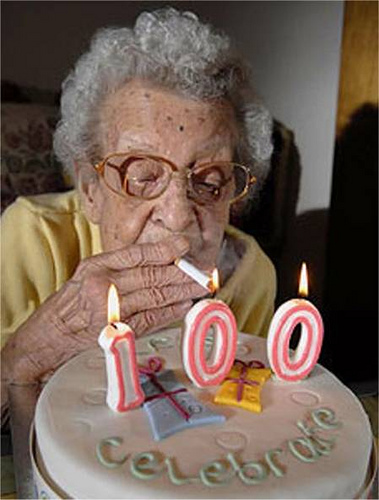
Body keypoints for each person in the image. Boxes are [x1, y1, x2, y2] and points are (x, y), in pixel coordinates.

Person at [1, 7, 276, 418]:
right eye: (143, 175)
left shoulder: (251, 274)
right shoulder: (32, 238)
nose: (178, 214)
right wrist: (42, 345)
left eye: (210, 180)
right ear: (91, 190)